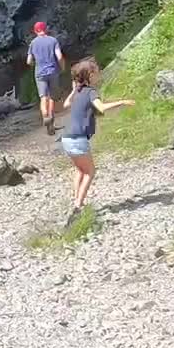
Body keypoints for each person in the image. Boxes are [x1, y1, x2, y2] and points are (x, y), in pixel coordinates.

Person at [61, 57, 134, 211]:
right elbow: (101, 108)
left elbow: (66, 104)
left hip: (66, 138)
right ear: (90, 75)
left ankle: (76, 199)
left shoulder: (78, 91)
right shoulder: (90, 92)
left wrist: (73, 90)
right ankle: (78, 206)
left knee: (79, 170)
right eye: (97, 73)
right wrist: (122, 102)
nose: (99, 75)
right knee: (90, 172)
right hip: (79, 138)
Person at [27, 21, 65, 135]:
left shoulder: (33, 43)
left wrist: (35, 65)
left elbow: (28, 61)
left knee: (43, 97)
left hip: (40, 73)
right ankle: (51, 123)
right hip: (53, 71)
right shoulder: (53, 40)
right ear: (46, 29)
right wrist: (62, 67)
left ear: (35, 31)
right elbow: (59, 56)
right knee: (52, 97)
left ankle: (45, 116)